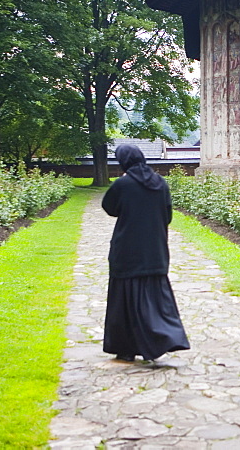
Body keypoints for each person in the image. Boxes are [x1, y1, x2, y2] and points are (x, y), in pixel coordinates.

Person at [101, 144, 190, 362]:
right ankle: (165, 337)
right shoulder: (160, 183)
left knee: (125, 298)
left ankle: (126, 348)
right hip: (154, 249)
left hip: (127, 249)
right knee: (155, 298)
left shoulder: (123, 184)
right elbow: (167, 216)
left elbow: (110, 207)